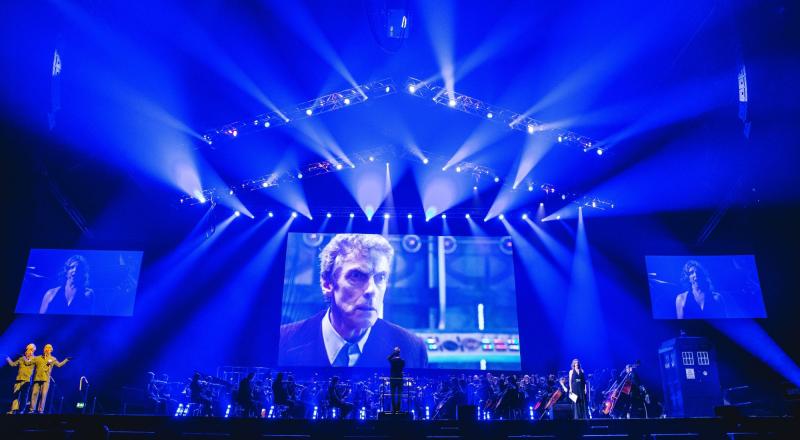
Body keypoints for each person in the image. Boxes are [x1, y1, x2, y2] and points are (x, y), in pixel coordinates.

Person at [279, 234, 428, 368]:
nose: (371, 290)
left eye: (380, 277)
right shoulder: (283, 342)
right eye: (356, 276)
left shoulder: (411, 349)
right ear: (327, 283)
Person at [30, 344, 70, 414]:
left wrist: (66, 360)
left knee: (43, 395)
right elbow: (30, 362)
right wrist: (29, 353)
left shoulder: (53, 359)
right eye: (46, 348)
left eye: (49, 348)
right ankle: (32, 409)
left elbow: (59, 365)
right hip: (37, 378)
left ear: (51, 350)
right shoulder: (38, 358)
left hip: (46, 379)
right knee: (34, 394)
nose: (47, 349)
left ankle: (40, 410)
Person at [5, 343, 36, 414]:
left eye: (31, 349)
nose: (29, 351)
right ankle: (13, 410)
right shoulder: (21, 358)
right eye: (28, 349)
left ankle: (21, 411)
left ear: (33, 350)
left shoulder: (35, 359)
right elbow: (13, 364)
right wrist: (7, 357)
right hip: (19, 379)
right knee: (16, 395)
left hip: (27, 380)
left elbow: (28, 363)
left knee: (24, 397)